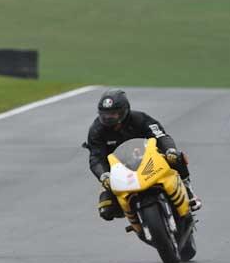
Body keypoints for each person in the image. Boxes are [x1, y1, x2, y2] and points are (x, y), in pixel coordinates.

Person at [86, 89, 202, 220]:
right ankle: (134, 217)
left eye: (113, 114)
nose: (108, 118)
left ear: (124, 111)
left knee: (176, 157)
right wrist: (104, 175)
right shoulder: (96, 130)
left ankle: (189, 190)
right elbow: (95, 157)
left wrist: (170, 150)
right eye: (104, 114)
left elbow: (161, 136)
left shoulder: (140, 119)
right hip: (119, 169)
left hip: (148, 158)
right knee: (106, 210)